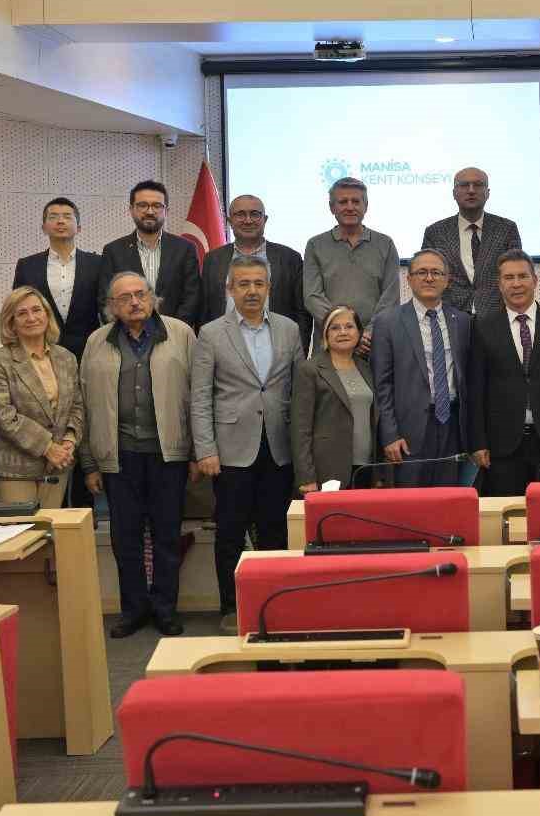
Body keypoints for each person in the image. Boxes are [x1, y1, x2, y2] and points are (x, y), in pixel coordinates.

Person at [79, 272, 197, 638]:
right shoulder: (96, 341)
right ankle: (133, 610)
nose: (134, 302)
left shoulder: (181, 334)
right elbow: (84, 403)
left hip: (168, 454)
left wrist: (197, 452)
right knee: (125, 539)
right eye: (124, 298)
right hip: (119, 455)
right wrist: (89, 462)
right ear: (112, 307)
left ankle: (165, 609)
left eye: (140, 294)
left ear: (152, 296)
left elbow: (198, 395)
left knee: (167, 535)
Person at [192, 256, 303, 631]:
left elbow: (299, 392)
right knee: (230, 532)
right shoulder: (211, 334)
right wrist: (206, 449)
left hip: (279, 446)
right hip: (230, 449)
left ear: (269, 287)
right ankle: (232, 607)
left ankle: (275, 605)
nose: (252, 290)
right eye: (243, 284)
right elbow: (200, 396)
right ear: (230, 288)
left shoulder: (289, 329)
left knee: (275, 530)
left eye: (258, 283)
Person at [469, 250, 540, 495]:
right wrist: (478, 442)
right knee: (507, 513)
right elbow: (476, 390)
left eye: (522, 276)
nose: (516, 284)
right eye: (509, 277)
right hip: (502, 445)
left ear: (535, 280)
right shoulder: (482, 327)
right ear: (499, 284)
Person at [370, 249, 473, 486]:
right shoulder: (387, 322)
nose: (429, 278)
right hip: (407, 432)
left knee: (449, 500)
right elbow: (382, 385)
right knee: (411, 502)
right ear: (409, 279)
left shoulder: (463, 321)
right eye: (422, 272)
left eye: (436, 272)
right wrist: (390, 434)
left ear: (447, 280)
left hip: (453, 427)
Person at [0, 288, 82, 509]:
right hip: (16, 469)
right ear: (11, 322)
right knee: (21, 529)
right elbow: (2, 416)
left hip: (59, 465)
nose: (31, 317)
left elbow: (77, 406)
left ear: (47, 315)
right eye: (22, 313)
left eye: (36, 310)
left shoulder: (66, 358)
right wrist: (47, 447)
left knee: (51, 528)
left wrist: (69, 441)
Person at [199, 193, 311, 350]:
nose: (248, 220)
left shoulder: (290, 258)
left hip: (277, 349)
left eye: (255, 214)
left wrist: (298, 352)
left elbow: (302, 313)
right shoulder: (213, 259)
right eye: (240, 214)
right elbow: (204, 311)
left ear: (265, 219)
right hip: (223, 350)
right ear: (229, 221)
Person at [303, 177, 401, 353]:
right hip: (329, 346)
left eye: (356, 201)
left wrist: (367, 333)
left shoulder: (385, 244)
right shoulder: (315, 245)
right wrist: (345, 331)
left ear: (366, 206)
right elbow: (312, 296)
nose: (350, 207)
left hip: (373, 345)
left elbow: (390, 298)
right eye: (343, 202)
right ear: (332, 207)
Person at [291, 305, 379, 494]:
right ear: (325, 334)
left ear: (359, 332)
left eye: (349, 326)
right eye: (335, 327)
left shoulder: (366, 368)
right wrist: (306, 477)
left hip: (365, 467)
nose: (343, 332)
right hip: (326, 470)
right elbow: (300, 430)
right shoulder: (310, 370)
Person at [99, 180, 203, 329]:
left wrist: (174, 331)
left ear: (166, 211)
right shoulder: (113, 251)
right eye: (142, 205)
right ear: (131, 210)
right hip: (127, 335)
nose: (149, 211)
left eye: (157, 206)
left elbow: (192, 298)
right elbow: (106, 299)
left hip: (174, 334)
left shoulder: (185, 249)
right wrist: (127, 332)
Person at [13, 196, 106, 363]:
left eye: (67, 217)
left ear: (79, 228)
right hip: (41, 350)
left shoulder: (98, 263)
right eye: (53, 217)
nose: (60, 221)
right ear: (44, 227)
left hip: (90, 351)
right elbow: (17, 308)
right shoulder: (26, 266)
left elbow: (106, 308)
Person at [420, 167, 523, 316]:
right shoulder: (435, 232)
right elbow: (427, 279)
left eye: (478, 185)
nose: (471, 190)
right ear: (454, 193)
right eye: (464, 185)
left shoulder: (506, 229)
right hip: (449, 318)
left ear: (488, 193)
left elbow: (516, 274)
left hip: (497, 317)